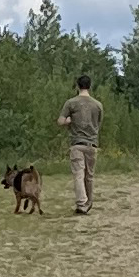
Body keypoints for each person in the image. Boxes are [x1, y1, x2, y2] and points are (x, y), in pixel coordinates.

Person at [57, 73, 103, 215]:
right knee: (89, 175)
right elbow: (98, 124)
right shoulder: (98, 105)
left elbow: (60, 121)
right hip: (92, 144)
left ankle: (81, 203)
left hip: (77, 143)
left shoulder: (71, 103)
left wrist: (68, 121)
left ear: (77, 86)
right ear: (90, 86)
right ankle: (89, 201)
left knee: (78, 174)